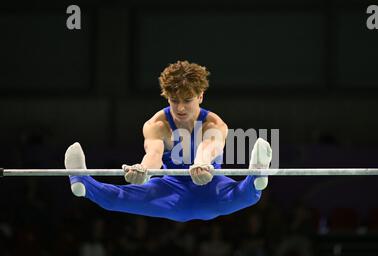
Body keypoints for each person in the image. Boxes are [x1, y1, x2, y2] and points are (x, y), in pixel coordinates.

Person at [64, 60, 272, 222]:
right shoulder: (157, 124)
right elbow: (153, 154)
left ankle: (257, 175)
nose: (180, 108)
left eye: (187, 100)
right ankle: (82, 181)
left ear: (200, 96)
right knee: (116, 199)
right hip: (169, 190)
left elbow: (209, 147)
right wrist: (143, 171)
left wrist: (201, 163)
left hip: (210, 189)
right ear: (167, 97)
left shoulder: (214, 124)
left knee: (248, 196)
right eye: (174, 101)